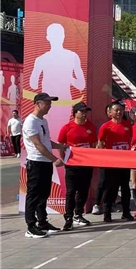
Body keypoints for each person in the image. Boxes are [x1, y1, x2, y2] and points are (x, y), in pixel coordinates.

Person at [22, 93, 67, 238]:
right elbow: (38, 144)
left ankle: (42, 222)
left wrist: (61, 146)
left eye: (50, 103)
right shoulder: (30, 121)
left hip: (45, 162)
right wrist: (54, 159)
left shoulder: (43, 121)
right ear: (38, 104)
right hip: (36, 162)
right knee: (33, 194)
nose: (49, 106)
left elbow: (47, 142)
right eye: (47, 103)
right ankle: (31, 226)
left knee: (44, 194)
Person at [57, 102, 97, 230]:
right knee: (71, 191)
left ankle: (78, 214)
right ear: (75, 113)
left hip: (86, 164)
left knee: (83, 190)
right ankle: (68, 217)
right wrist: (63, 159)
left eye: (86, 112)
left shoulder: (90, 126)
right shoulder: (67, 127)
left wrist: (91, 158)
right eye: (82, 111)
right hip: (72, 165)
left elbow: (93, 144)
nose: (84, 114)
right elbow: (61, 145)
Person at [97, 102, 134, 223]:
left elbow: (130, 140)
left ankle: (126, 212)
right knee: (110, 188)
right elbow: (100, 143)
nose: (119, 112)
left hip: (124, 162)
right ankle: (107, 213)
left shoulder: (127, 125)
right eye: (116, 110)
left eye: (121, 110)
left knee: (125, 188)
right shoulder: (106, 126)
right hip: (111, 163)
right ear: (110, 112)